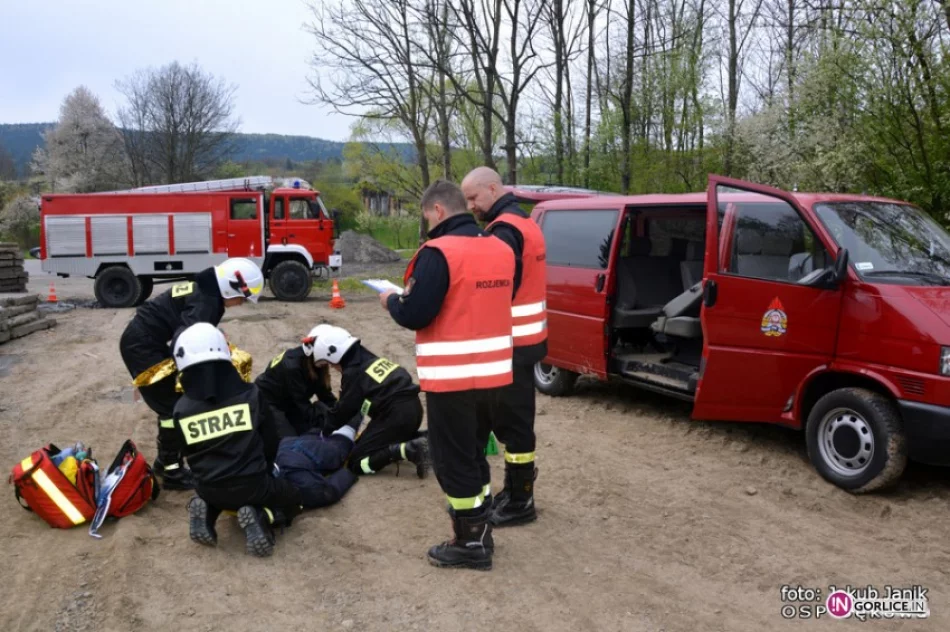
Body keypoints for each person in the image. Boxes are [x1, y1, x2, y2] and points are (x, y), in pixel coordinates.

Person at [380, 179, 514, 571]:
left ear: (438, 211)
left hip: (453, 378)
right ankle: (481, 524)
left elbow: (415, 313)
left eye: (426, 216)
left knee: (453, 459)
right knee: (474, 451)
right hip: (494, 376)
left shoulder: (437, 252)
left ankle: (470, 543)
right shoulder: (500, 247)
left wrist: (391, 300)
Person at [119, 257, 264, 491]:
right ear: (232, 286)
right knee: (171, 407)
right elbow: (184, 340)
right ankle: (172, 471)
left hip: (147, 342)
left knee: (173, 402)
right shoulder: (207, 301)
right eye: (243, 297)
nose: (241, 303)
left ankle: (164, 461)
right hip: (143, 350)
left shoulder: (208, 293)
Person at [460, 167, 547, 527]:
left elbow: (496, 289)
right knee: (518, 422)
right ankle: (516, 492)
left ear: (493, 188)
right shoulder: (526, 223)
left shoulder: (504, 232)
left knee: (512, 425)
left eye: (474, 197)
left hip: (509, 344)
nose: (470, 206)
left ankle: (520, 500)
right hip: (527, 342)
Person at [172, 323, 301, 558]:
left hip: (207, 486)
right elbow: (271, 440)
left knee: (218, 493)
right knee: (292, 498)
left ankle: (209, 511)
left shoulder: (181, 409)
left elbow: (184, 450)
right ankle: (262, 516)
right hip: (253, 485)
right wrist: (266, 470)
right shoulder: (251, 395)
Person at [302, 324, 429, 479]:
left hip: (395, 418)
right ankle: (428, 440)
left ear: (334, 354)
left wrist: (324, 432)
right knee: (374, 440)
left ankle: (407, 450)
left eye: (330, 363)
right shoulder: (366, 358)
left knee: (357, 463)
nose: (333, 368)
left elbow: (344, 411)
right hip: (413, 411)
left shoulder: (353, 373)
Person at [254, 340, 338, 437]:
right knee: (287, 440)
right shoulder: (292, 367)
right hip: (268, 400)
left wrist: (339, 413)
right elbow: (303, 405)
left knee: (310, 429)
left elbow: (325, 396)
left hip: (290, 399)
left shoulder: (317, 364)